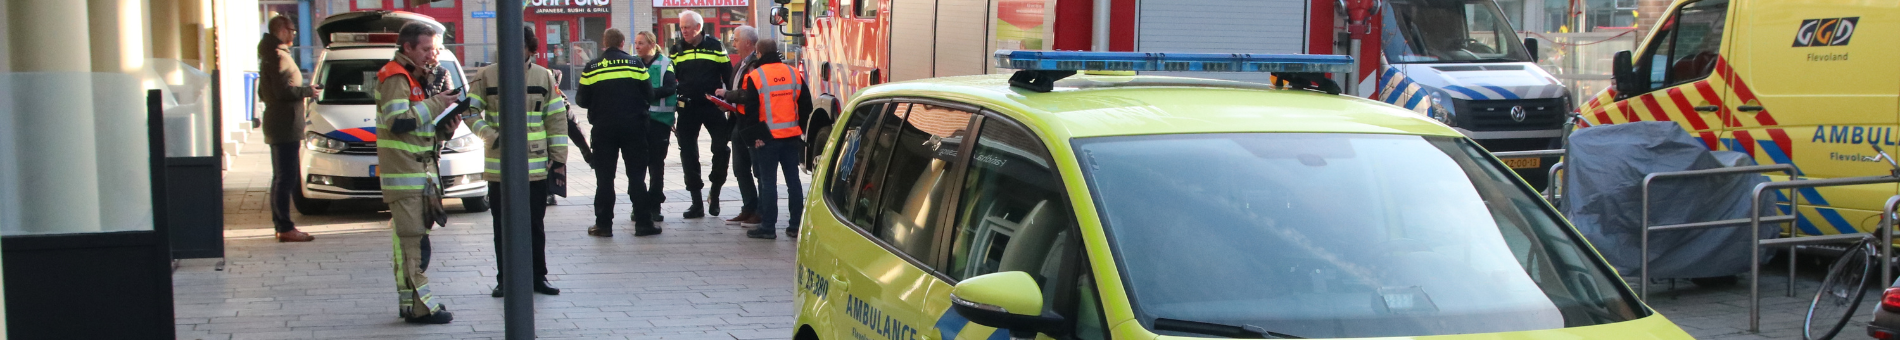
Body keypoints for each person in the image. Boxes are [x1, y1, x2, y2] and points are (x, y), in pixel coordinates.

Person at [462, 27, 566, 298]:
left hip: (535, 168)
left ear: (528, 47)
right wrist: (490, 135)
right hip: (501, 168)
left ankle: (537, 277)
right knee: (502, 225)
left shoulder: (543, 75)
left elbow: (555, 119)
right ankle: (505, 279)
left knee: (535, 225)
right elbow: (470, 111)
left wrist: (558, 160)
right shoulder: (486, 75)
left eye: (516, 45)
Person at [374, 22, 458, 324]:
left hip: (416, 176)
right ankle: (422, 308)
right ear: (407, 47)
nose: (430, 55)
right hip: (406, 178)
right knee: (414, 246)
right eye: (425, 49)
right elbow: (398, 121)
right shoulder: (396, 77)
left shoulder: (412, 77)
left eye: (434, 49)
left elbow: (418, 126)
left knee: (410, 243)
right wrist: (438, 103)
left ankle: (410, 304)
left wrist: (446, 119)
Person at [722, 35, 812, 239]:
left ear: (759, 53)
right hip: (791, 137)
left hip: (767, 139)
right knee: (793, 182)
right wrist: (801, 128)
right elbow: (806, 104)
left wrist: (756, 137)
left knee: (769, 182)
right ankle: (795, 225)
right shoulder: (793, 73)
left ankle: (768, 227)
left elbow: (751, 110)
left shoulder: (756, 76)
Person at [576, 28, 658, 237]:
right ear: (622, 43)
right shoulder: (635, 64)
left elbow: (581, 101)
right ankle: (643, 223)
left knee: (604, 178)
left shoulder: (592, 67)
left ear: (605, 43)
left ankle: (603, 225)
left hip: (604, 129)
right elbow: (649, 94)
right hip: (634, 128)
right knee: (637, 176)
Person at [257, 15, 318, 242]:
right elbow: (283, 92)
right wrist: (307, 91)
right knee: (286, 178)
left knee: (281, 177)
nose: (294, 34)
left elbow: (263, 93)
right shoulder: (278, 57)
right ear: (281, 30)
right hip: (285, 124)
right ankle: (284, 227)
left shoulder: (270, 56)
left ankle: (282, 225)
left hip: (280, 122)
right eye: (292, 30)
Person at [668, 10, 735, 219]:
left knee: (721, 149)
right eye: (681, 27)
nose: (683, 31)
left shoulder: (715, 46)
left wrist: (730, 101)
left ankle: (715, 192)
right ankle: (696, 201)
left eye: (687, 27)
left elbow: (729, 75)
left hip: (712, 106)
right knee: (688, 153)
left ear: (698, 27)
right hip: (687, 108)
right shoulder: (676, 49)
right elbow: (670, 79)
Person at [634, 31, 679, 222]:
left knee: (656, 165)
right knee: (638, 165)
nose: (637, 47)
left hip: (660, 121)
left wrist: (648, 94)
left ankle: (655, 206)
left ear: (652, 44)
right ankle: (639, 206)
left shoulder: (665, 63)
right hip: (639, 120)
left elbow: (670, 88)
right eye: (635, 43)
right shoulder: (633, 63)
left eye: (641, 43)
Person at [720, 26, 763, 228]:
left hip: (753, 123)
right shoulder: (740, 64)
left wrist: (727, 95)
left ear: (747, 42)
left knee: (759, 169)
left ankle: (760, 211)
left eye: (736, 40)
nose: (733, 44)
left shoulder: (757, 64)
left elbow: (749, 94)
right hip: (738, 120)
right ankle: (748, 207)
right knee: (739, 168)